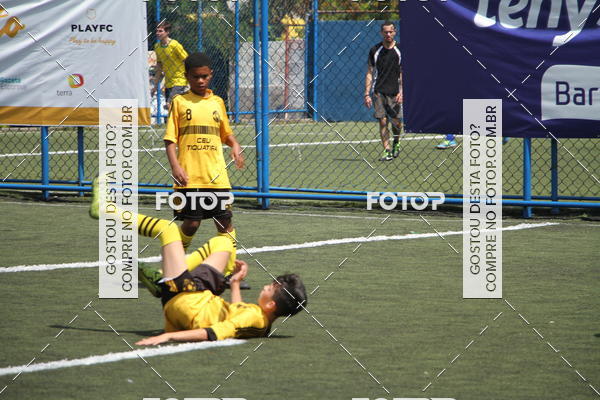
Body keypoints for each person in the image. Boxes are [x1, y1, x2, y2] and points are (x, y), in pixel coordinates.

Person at [88, 177, 308, 345]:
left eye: (270, 288)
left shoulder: (254, 317)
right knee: (224, 243)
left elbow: (216, 332)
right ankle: (162, 280)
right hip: (190, 302)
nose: (265, 286)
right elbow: (235, 312)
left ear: (271, 304)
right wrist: (234, 283)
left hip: (188, 300)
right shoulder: (261, 322)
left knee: (167, 230)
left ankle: (106, 210)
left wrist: (168, 337)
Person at [164, 52, 245, 281]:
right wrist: (175, 167)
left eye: (204, 76)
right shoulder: (180, 102)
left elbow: (226, 133)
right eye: (195, 77)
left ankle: (229, 273)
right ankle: (175, 267)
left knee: (224, 222)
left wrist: (235, 144)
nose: (200, 80)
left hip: (216, 176)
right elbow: (170, 140)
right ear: (187, 77)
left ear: (211, 75)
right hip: (189, 177)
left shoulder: (218, 102)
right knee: (191, 223)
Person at [364, 21, 403, 162]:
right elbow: (370, 72)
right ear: (381, 33)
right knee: (382, 121)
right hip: (378, 91)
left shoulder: (400, 50)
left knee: (396, 122)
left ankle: (396, 142)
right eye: (385, 32)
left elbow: (403, 73)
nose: (388, 34)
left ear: (395, 32)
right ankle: (387, 151)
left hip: (395, 92)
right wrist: (366, 93)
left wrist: (401, 92)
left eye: (390, 31)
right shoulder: (375, 50)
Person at [152, 21, 189, 105]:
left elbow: (187, 60)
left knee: (170, 104)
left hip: (180, 80)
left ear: (167, 32)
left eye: (160, 31)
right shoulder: (157, 47)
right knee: (172, 109)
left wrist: (190, 79)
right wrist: (155, 86)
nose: (157, 33)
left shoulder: (174, 45)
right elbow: (159, 66)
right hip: (168, 82)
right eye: (157, 31)